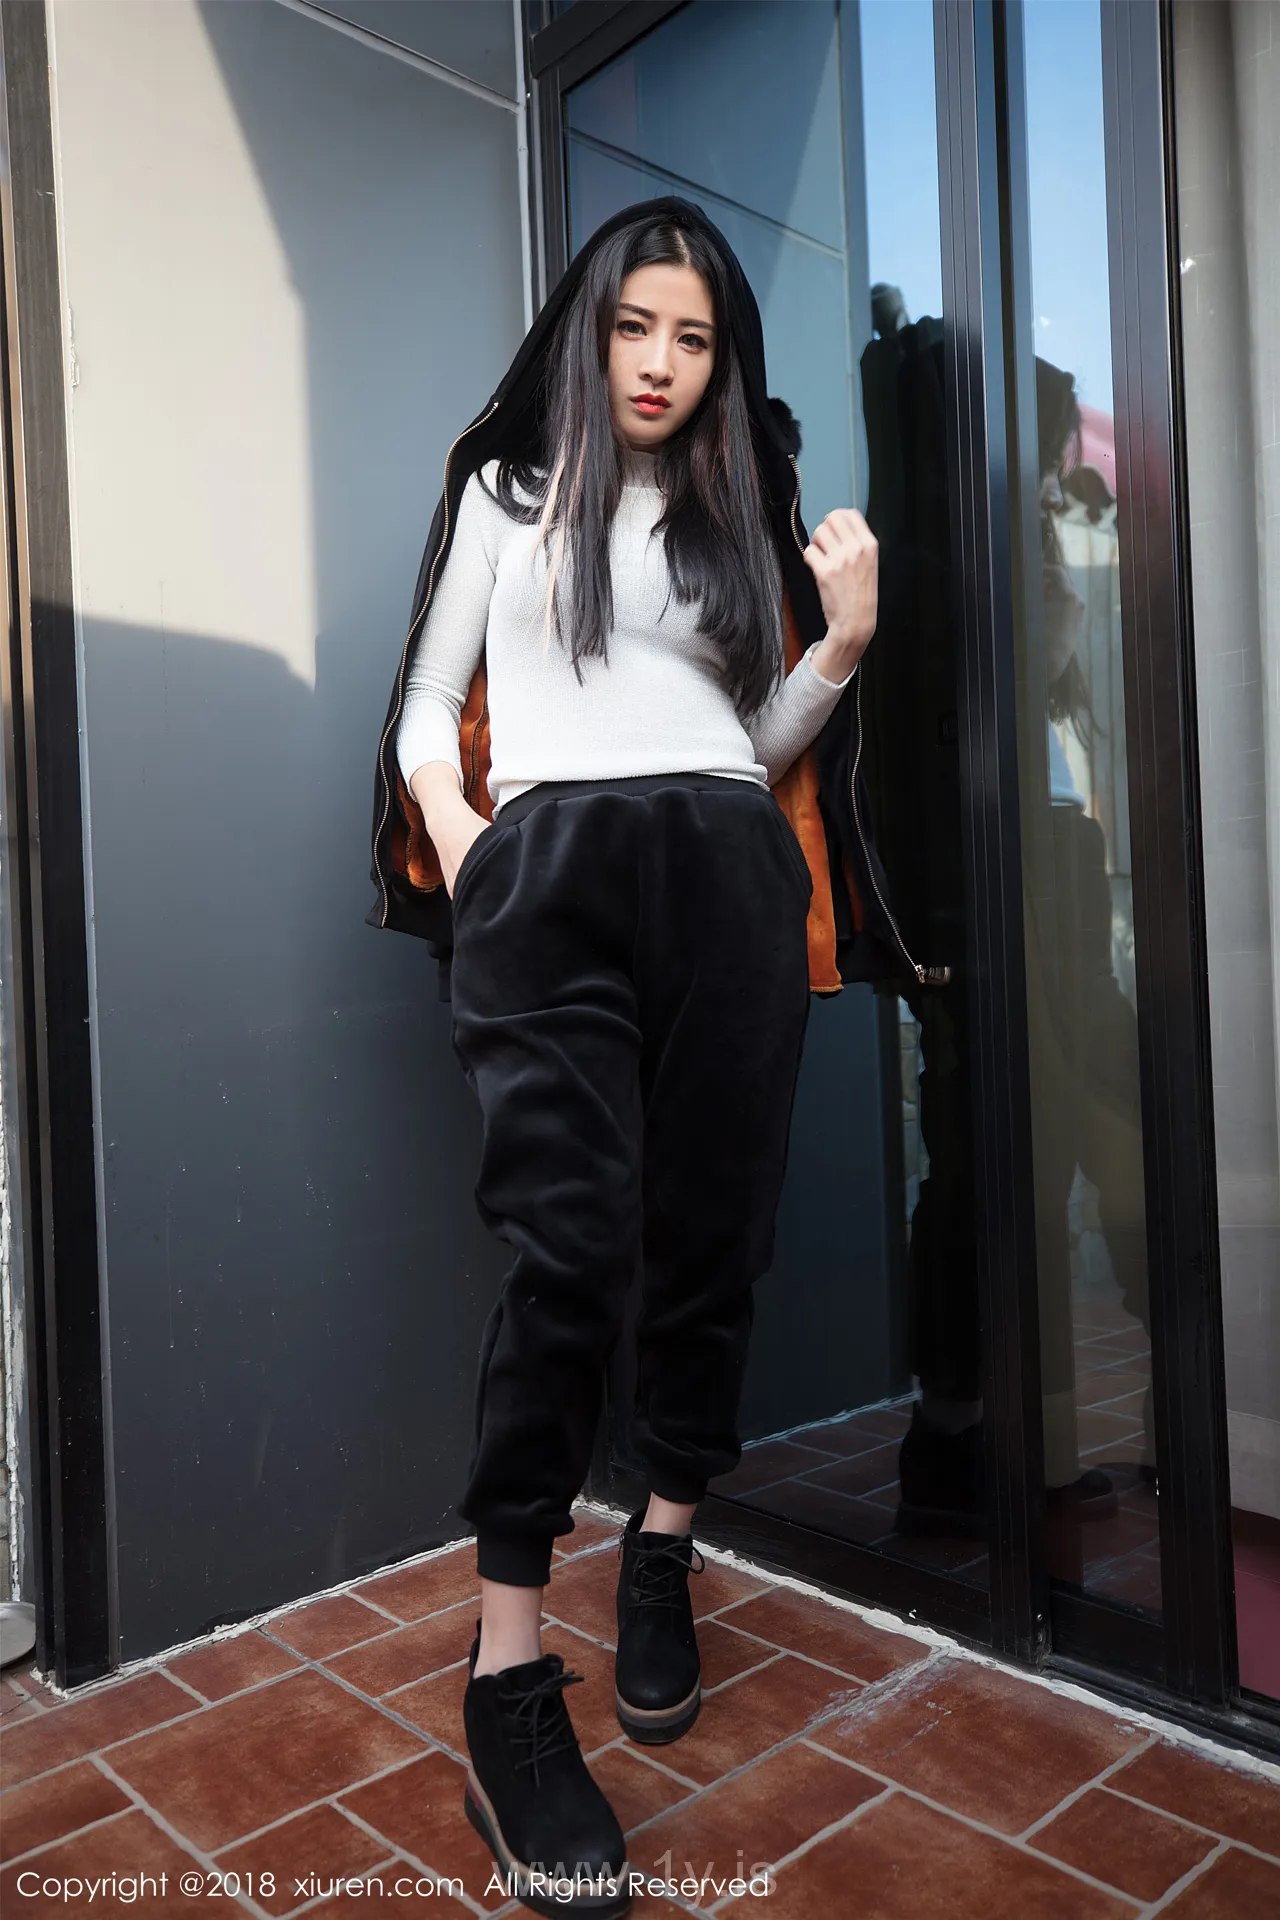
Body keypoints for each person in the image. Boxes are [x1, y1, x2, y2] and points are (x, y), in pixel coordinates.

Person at [367, 198, 935, 1918]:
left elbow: (745, 737)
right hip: (549, 876)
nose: (661, 365)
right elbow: (425, 700)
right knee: (568, 1251)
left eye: (693, 338)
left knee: (708, 1245)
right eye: (636, 328)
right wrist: (469, 839)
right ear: (588, 326)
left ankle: (664, 1549)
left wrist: (840, 645)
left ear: (719, 357)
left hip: (726, 875)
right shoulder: (507, 491)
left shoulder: (735, 510)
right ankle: (507, 1670)